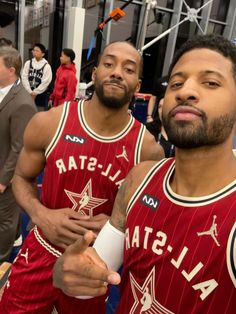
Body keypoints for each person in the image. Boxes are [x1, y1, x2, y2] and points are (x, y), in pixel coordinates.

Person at [52, 34, 236, 313]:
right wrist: (69, 275)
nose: (185, 91)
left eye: (210, 82)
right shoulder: (140, 179)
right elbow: (94, 269)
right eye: (176, 82)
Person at [0, 41, 164, 313]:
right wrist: (41, 214)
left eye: (129, 68)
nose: (117, 72)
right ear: (95, 73)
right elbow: (21, 177)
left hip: (95, 264)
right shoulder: (50, 122)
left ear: (138, 86)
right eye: (109, 64)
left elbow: (148, 220)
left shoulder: (148, 150)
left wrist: (118, 226)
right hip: (43, 248)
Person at [0, 46, 37, 263]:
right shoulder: (5, 92)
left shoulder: (22, 103)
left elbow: (19, 147)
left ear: (11, 70)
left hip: (7, 175)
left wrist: (4, 181)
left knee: (4, 219)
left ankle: (2, 259)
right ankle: (14, 237)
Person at [22, 43, 52, 111]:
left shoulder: (46, 66)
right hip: (28, 93)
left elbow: (46, 82)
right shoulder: (28, 63)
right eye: (34, 50)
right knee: (27, 112)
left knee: (39, 114)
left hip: (40, 96)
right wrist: (30, 91)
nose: (34, 52)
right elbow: (24, 77)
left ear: (43, 54)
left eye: (37, 50)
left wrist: (36, 92)